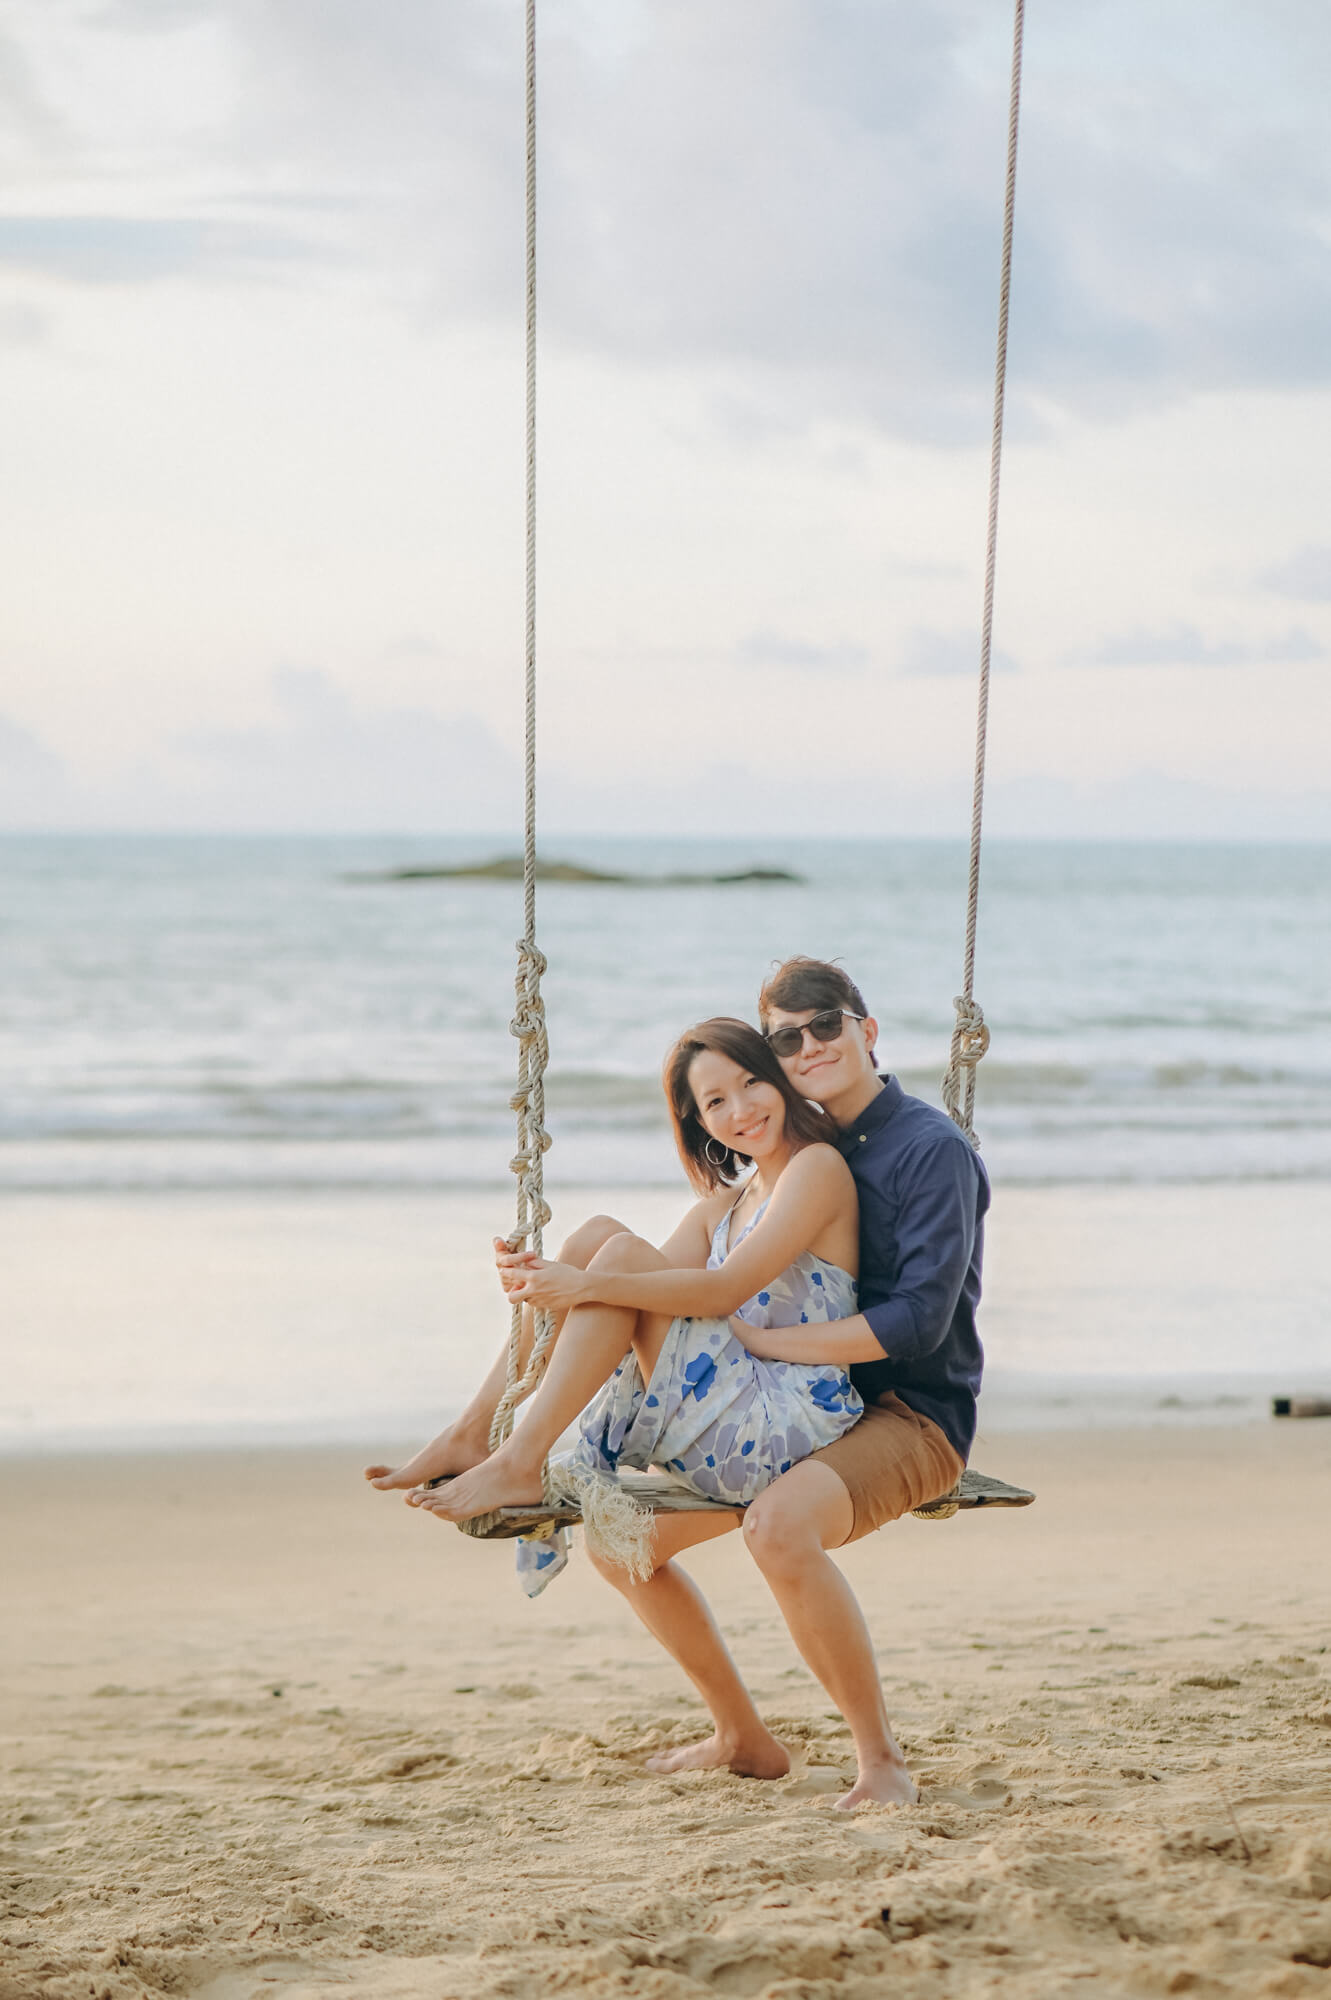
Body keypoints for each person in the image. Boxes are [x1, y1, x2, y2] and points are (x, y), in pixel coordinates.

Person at [367, 957, 986, 1809]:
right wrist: (546, 1281)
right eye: (781, 1042)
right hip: (758, 1407)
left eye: (823, 1029)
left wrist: (615, 1294)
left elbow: (896, 1318)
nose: (802, 1052)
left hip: (881, 1412)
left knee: (616, 1273)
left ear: (864, 1030)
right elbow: (656, 1283)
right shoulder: (739, 1196)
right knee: (623, 1542)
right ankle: (742, 1737)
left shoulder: (887, 1155)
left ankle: (879, 1760)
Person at [403, 1020, 865, 1585]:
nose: (741, 1109)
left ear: (780, 1081)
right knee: (598, 1239)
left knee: (612, 1261)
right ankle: (475, 1431)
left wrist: (582, 1286)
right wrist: (544, 1284)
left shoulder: (817, 1167)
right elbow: (643, 1297)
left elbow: (721, 1291)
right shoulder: (726, 1204)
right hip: (724, 1417)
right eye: (717, 1100)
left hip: (779, 1432)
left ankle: (521, 1459)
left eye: (751, 1083)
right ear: (702, 1124)